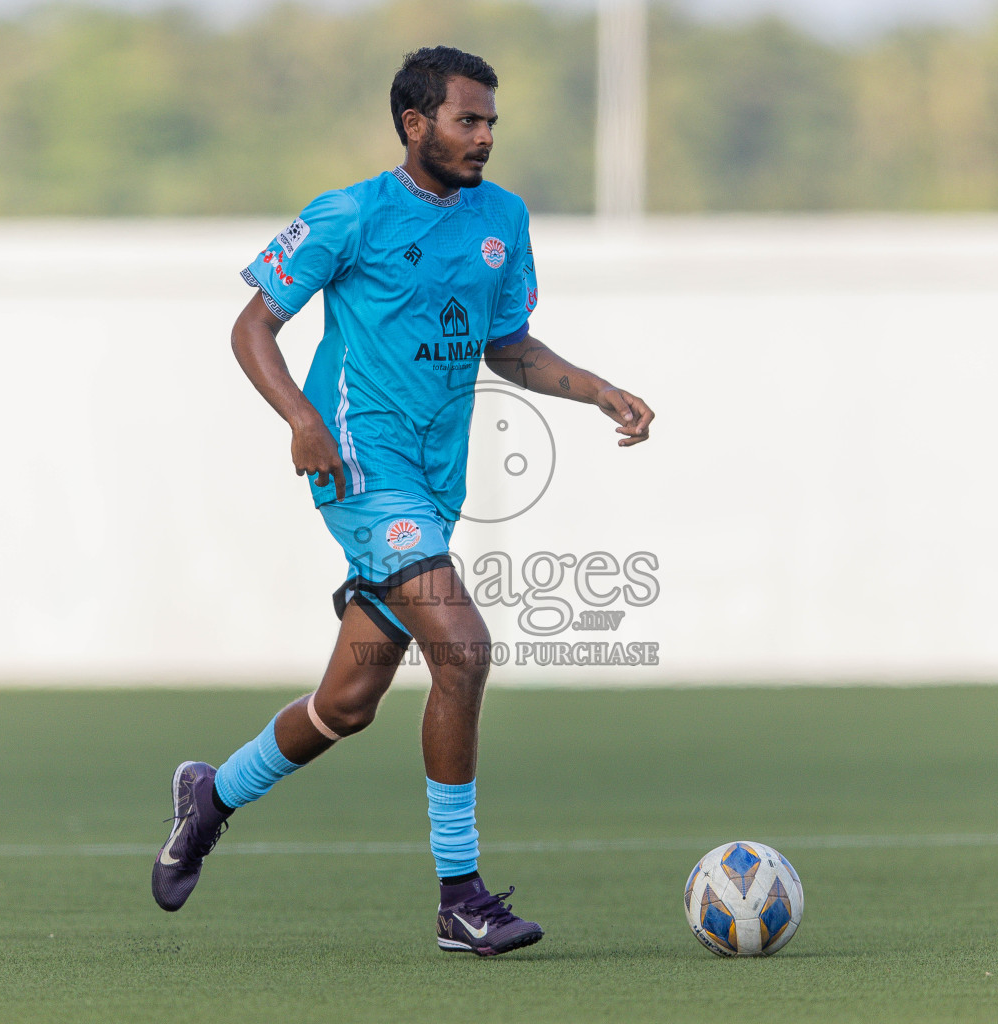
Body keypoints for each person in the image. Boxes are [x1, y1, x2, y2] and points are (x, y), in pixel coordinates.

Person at [151, 45, 654, 957]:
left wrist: (595, 389)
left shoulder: (503, 218)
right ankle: (460, 898)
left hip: (436, 484)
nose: (486, 137)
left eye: (492, 121)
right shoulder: (349, 214)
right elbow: (252, 324)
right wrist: (302, 419)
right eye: (469, 120)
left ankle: (211, 794)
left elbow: (509, 345)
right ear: (414, 123)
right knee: (463, 649)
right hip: (359, 470)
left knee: (347, 704)